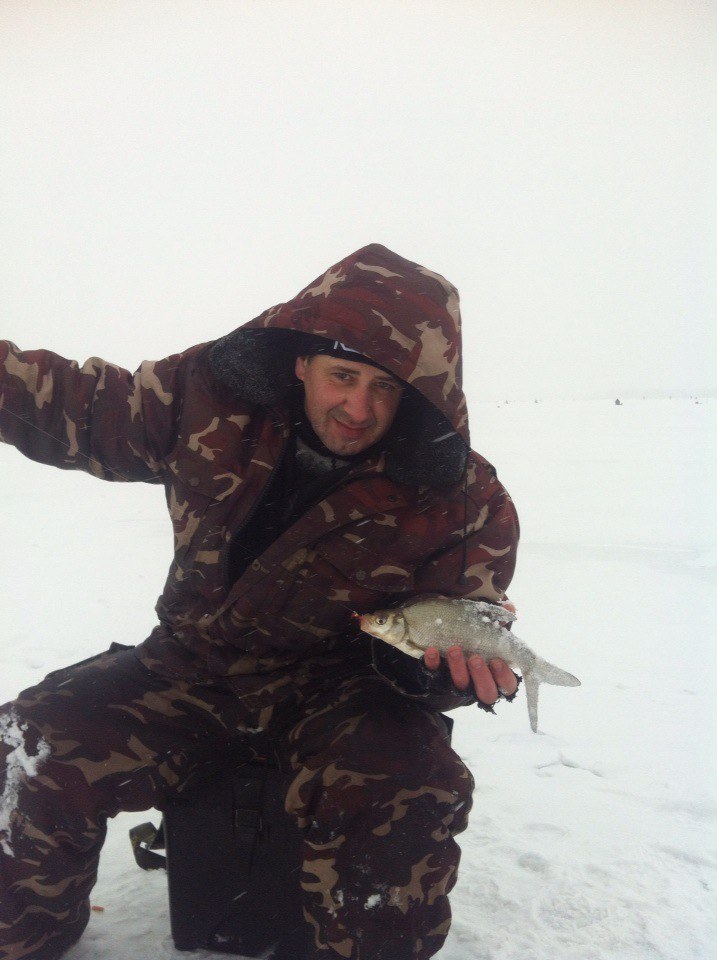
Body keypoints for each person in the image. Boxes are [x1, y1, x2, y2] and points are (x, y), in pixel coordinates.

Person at [0, 244, 519, 960]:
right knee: (31, 743)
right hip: (187, 667)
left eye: (384, 387)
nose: (358, 408)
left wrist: (429, 674)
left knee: (411, 785)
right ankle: (22, 935)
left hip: (343, 692)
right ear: (301, 360)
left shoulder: (463, 502)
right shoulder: (206, 401)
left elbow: (463, 625)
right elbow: (83, 406)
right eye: (342, 376)